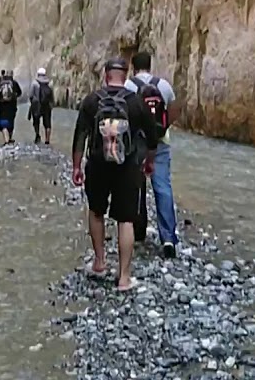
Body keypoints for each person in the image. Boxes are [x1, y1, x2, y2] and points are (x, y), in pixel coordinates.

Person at [71, 58, 160, 292]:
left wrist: (76, 167)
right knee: (125, 219)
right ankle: (124, 277)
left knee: (96, 211)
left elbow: (80, 135)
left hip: (98, 165)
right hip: (128, 167)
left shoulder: (92, 101)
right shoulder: (136, 102)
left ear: (105, 74)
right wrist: (149, 162)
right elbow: (152, 137)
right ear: (126, 75)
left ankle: (100, 263)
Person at [124, 51, 180, 258]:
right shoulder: (164, 86)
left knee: (136, 186)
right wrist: (161, 130)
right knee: (163, 187)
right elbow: (174, 110)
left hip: (136, 143)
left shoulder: (129, 87)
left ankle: (138, 231)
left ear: (133, 66)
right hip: (160, 143)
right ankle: (168, 238)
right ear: (150, 65)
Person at [0, 69, 22, 145]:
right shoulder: (14, 83)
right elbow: (20, 93)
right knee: (11, 121)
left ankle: (6, 141)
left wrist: (0, 98)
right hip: (12, 105)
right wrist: (14, 97)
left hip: (2, 105)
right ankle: (10, 139)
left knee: (3, 124)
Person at [28, 67, 55, 144]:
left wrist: (32, 104)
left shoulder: (34, 83)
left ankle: (37, 135)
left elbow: (30, 95)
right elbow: (52, 96)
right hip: (47, 106)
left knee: (36, 122)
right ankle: (47, 140)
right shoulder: (49, 83)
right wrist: (51, 105)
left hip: (37, 105)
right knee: (47, 123)